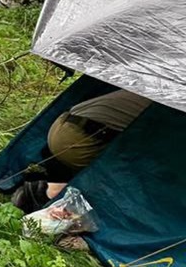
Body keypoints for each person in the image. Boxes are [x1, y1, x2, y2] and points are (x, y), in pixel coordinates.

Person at [12, 89, 152, 212]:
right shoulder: (167, 103)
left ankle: (50, 184)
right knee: (134, 183)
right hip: (82, 140)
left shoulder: (152, 86)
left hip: (64, 125)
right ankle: (48, 192)